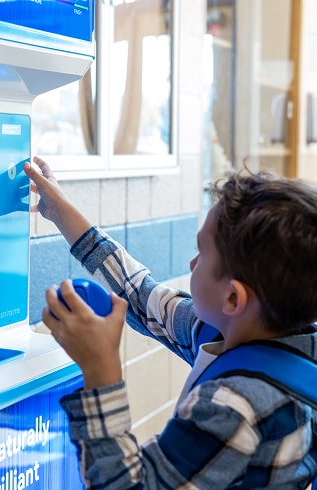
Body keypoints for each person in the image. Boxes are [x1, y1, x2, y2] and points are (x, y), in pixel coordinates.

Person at [23, 156, 317, 489]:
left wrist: (100, 371)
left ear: (233, 299)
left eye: (202, 253)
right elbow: (140, 294)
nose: (192, 262)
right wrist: (58, 209)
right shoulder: (252, 336)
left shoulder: (235, 404)